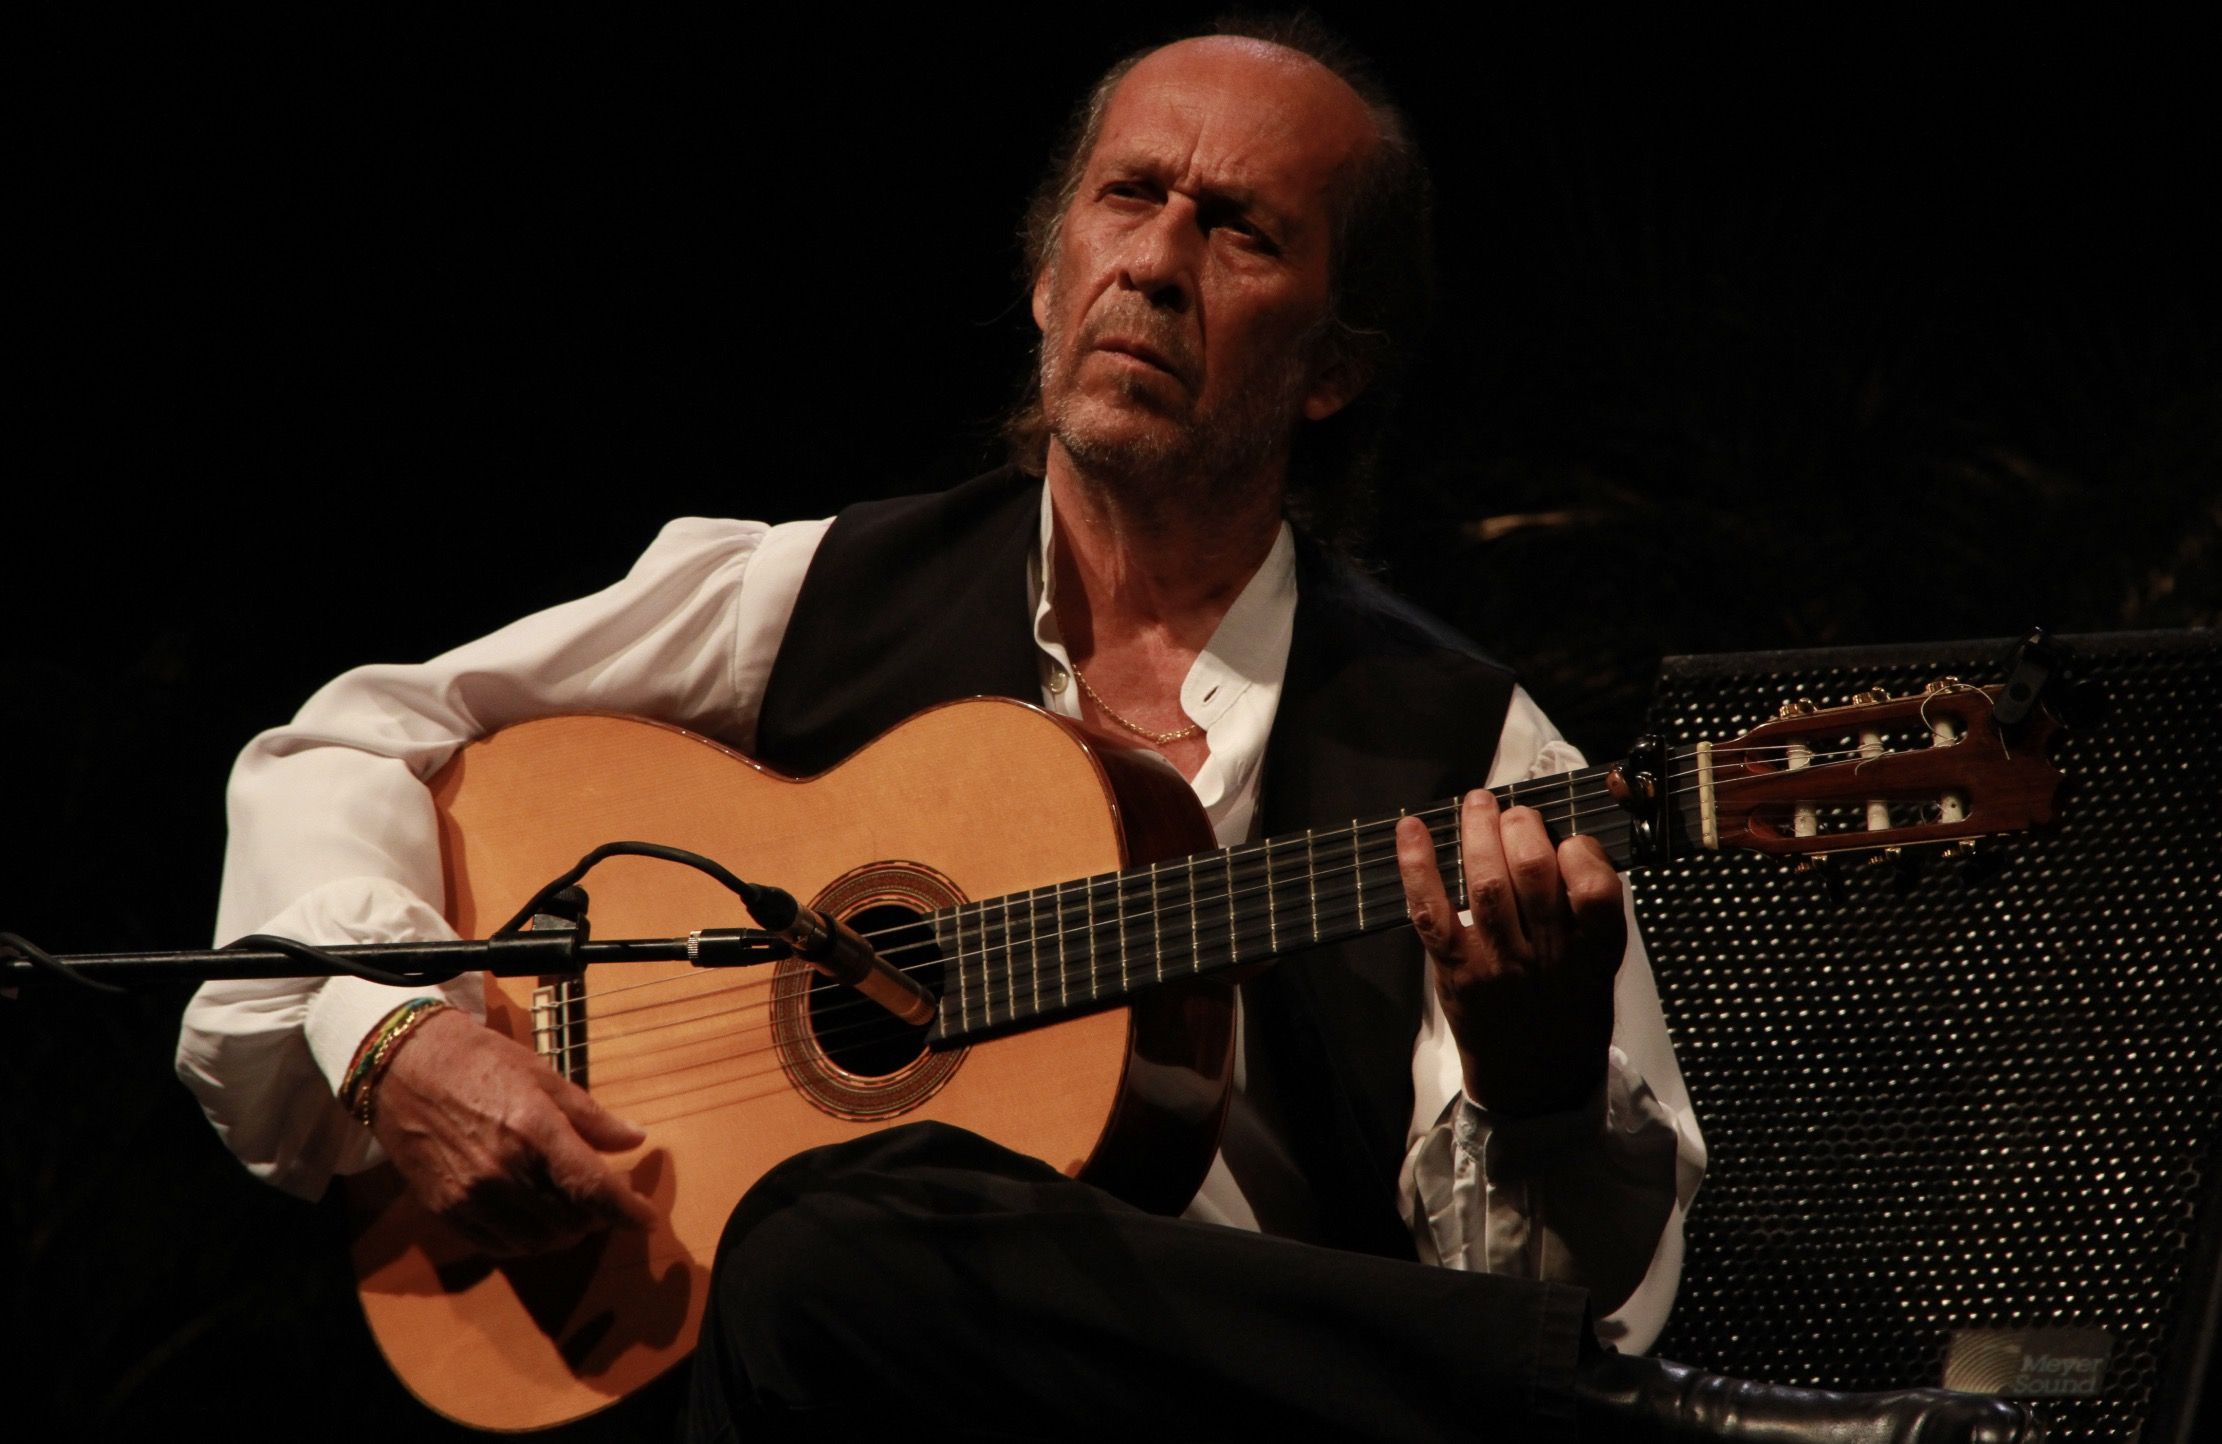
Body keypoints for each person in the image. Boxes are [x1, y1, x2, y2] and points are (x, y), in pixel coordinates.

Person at [177, 19, 2041, 1442]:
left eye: (1237, 231)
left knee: (844, 1232)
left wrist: (1546, 1091)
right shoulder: (806, 592)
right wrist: (394, 1041)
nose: (1156, 260)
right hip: (766, 1385)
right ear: (1048, 268)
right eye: (1126, 198)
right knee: (831, 1243)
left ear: (1334, 367)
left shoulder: (1469, 749)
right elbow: (339, 750)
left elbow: (1532, 1322)